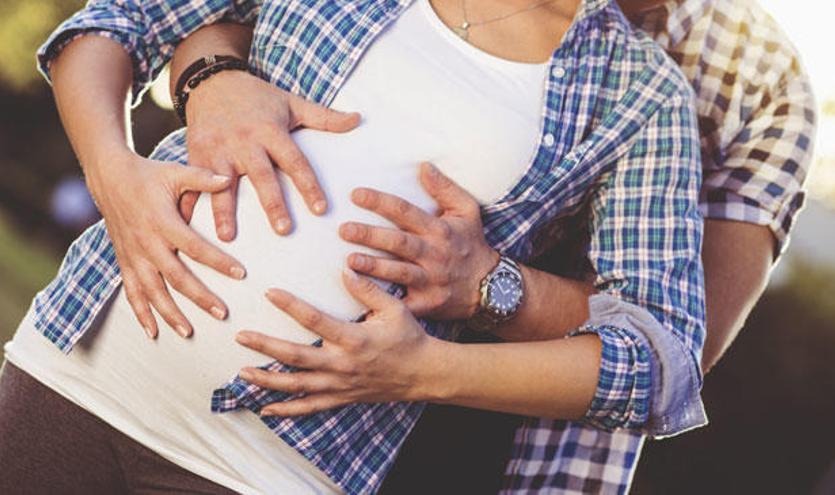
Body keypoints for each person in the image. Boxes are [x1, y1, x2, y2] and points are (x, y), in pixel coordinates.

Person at [0, 1, 707, 494]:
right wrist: (114, 173)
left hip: (267, 473)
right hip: (79, 368)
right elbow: (116, 20)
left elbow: (661, 362)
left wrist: (429, 368)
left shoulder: (640, 95)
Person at [163, 0, 816, 492]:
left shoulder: (760, 83)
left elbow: (675, 354)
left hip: (507, 453)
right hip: (297, 420)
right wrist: (211, 78)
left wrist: (489, 285)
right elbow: (200, 18)